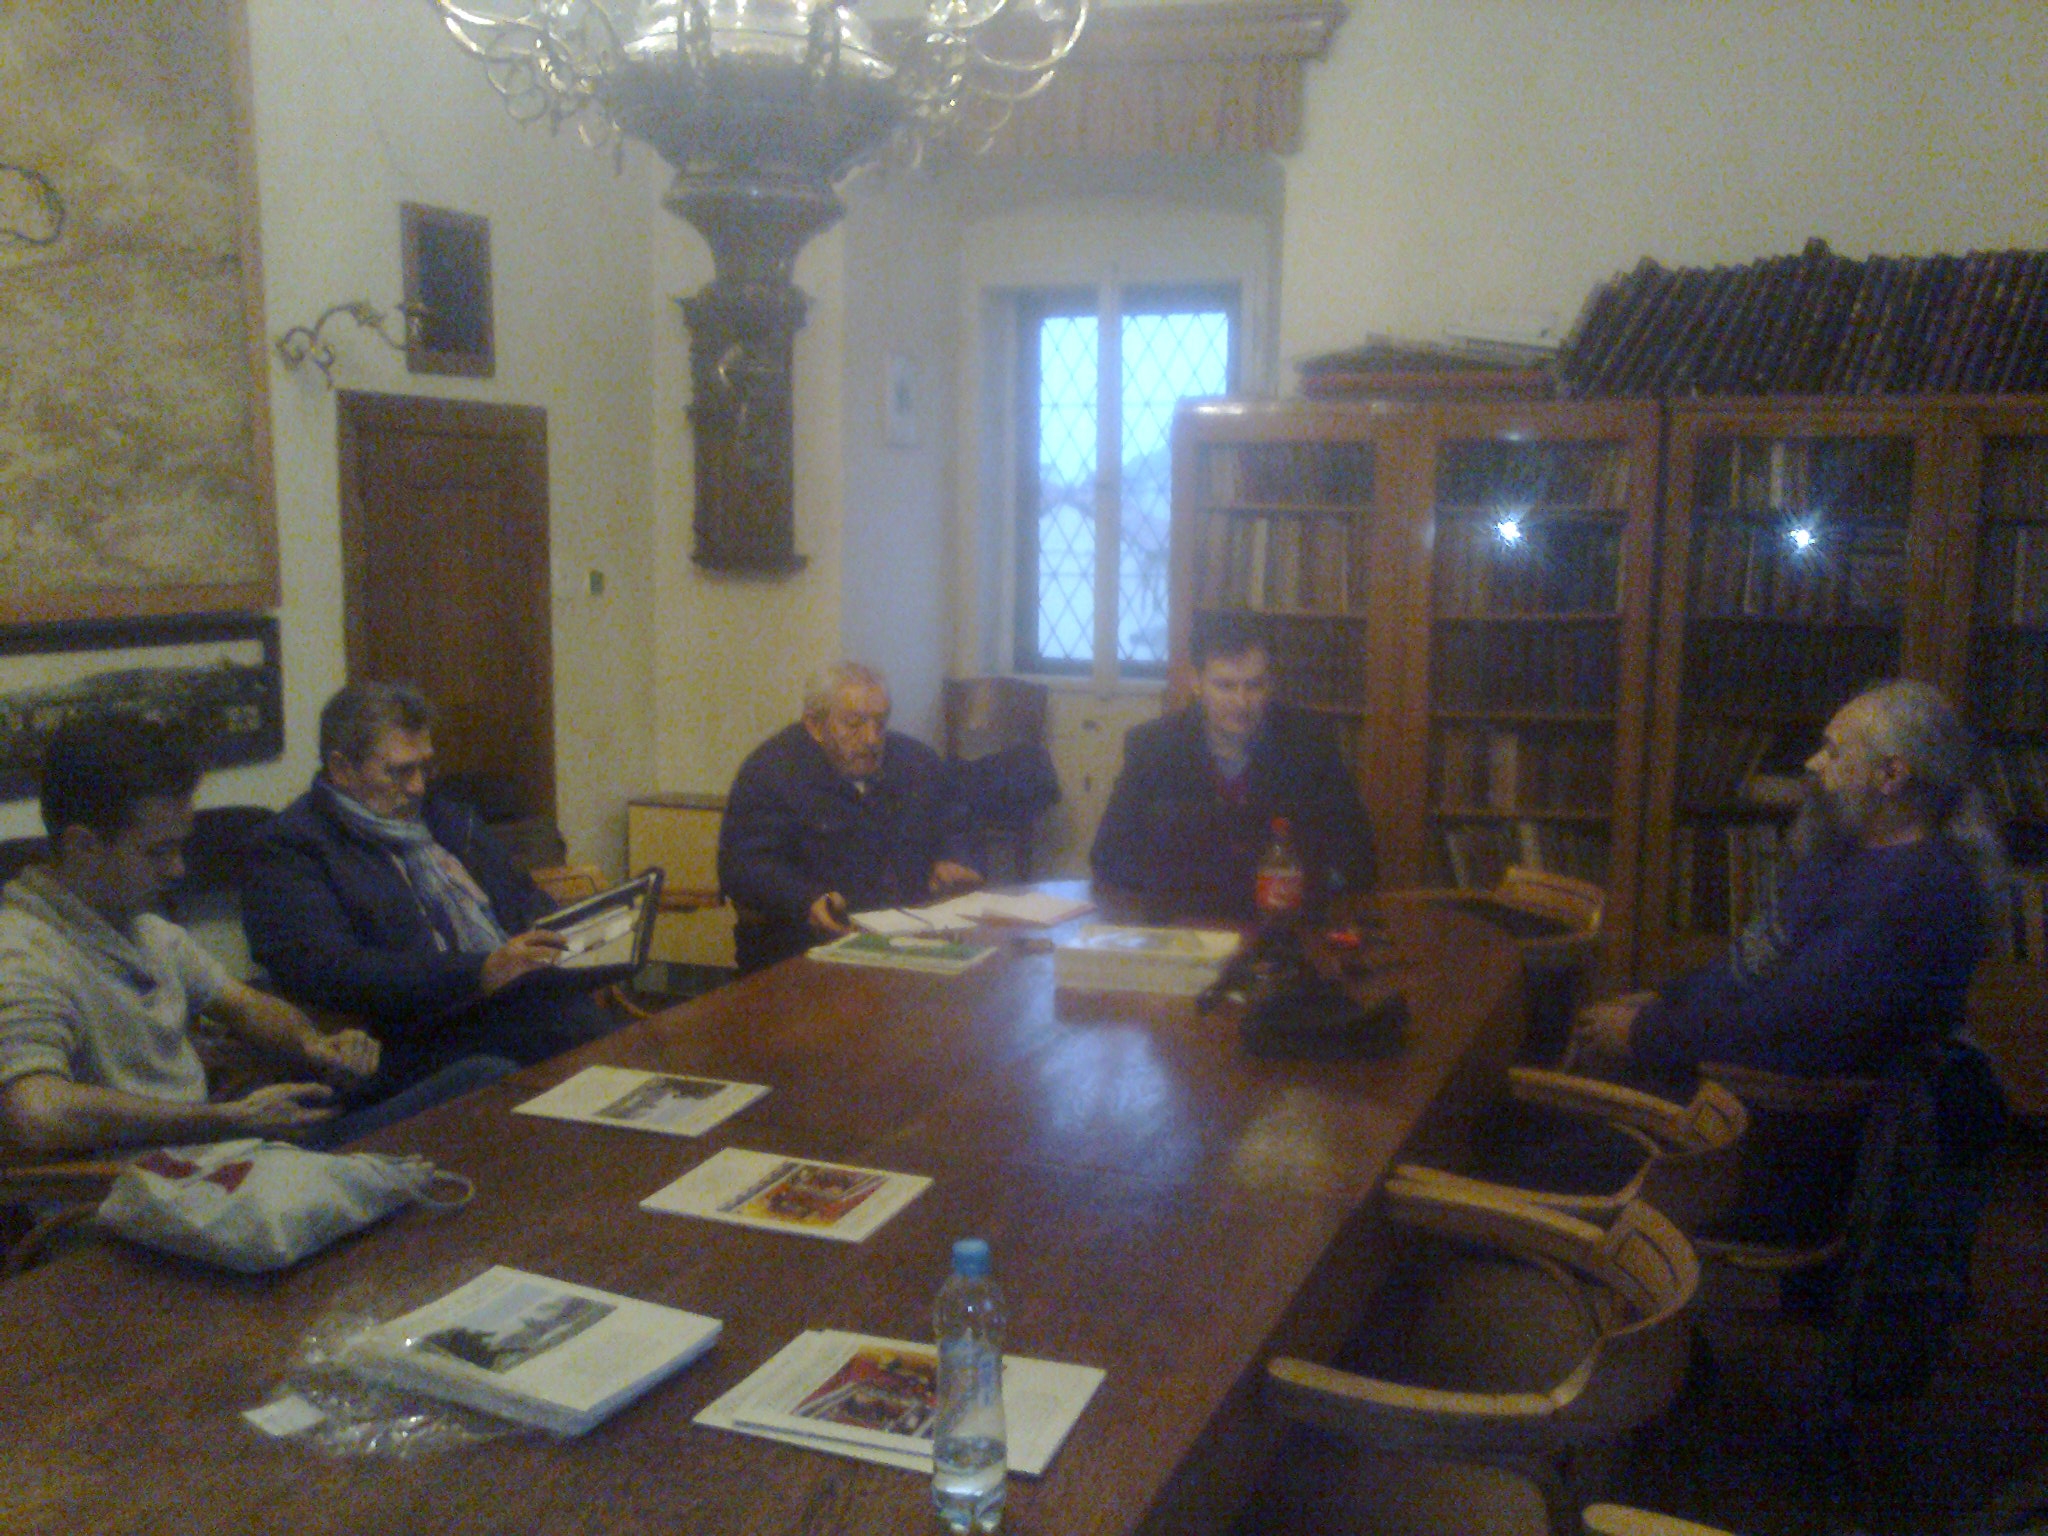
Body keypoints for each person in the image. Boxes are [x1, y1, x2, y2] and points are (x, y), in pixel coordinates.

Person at [0, 716, 513, 1158]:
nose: (177, 868)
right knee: (477, 1095)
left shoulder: (144, 930)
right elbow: (37, 1112)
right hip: (154, 1193)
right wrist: (225, 1119)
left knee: (482, 1078)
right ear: (83, 846)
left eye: (179, 847)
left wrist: (317, 1045)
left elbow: (245, 1006)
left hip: (225, 1161)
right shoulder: (23, 951)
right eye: (158, 851)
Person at [1572, 679, 2004, 1094]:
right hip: (1736, 1074)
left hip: (1796, 1112)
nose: (1812, 764)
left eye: (1833, 752)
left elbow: (1795, 1029)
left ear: (1890, 774)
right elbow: (1750, 963)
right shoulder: (1843, 853)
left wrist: (1643, 1032)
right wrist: (1662, 1000)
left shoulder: (1921, 889)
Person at [243, 682, 616, 1085]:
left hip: (508, 1001)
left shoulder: (446, 818)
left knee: (591, 1027)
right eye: (400, 771)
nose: (418, 786)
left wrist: (576, 933)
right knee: (577, 1032)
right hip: (406, 1035)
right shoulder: (290, 848)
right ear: (342, 769)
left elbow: (521, 897)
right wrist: (480, 971)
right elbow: (331, 971)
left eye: (425, 767)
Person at [1090, 613, 1376, 918]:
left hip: (1283, 921)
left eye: (1254, 685)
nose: (1241, 702)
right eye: (1225, 686)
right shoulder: (1153, 746)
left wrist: (1307, 884)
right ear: (1196, 682)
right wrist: (1192, 884)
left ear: (1271, 682)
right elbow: (1108, 855)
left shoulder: (1311, 743)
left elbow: (1359, 858)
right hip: (1186, 921)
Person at [718, 663, 981, 973]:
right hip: (805, 950)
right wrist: (805, 899)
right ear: (815, 725)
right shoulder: (771, 773)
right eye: (854, 724)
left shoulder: (916, 762)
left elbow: (955, 823)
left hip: (910, 942)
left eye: (880, 722)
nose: (871, 738)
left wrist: (956, 858)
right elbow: (746, 866)